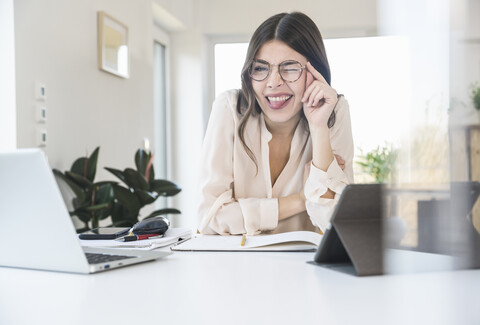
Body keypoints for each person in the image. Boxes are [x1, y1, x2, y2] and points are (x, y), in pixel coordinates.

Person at [197, 12, 354, 236]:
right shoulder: (230, 108)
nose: (273, 82)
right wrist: (299, 201)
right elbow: (209, 219)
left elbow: (336, 224)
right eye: (261, 68)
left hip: (304, 267)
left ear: (314, 72)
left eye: (289, 68)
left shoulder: (333, 111)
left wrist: (319, 128)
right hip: (235, 266)